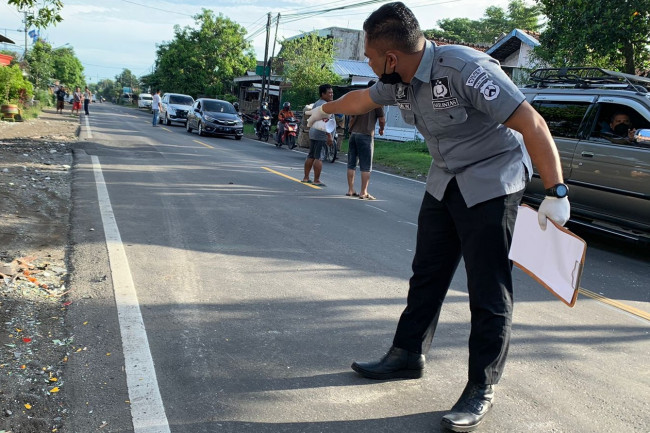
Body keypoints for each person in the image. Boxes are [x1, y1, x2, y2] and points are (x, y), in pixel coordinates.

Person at [306, 3, 570, 432]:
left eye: (372, 57)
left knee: (488, 289)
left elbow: (532, 123)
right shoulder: (400, 80)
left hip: (492, 180)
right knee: (427, 272)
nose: (371, 65)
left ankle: (480, 387)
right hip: (445, 178)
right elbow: (363, 98)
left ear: (391, 58)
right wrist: (327, 110)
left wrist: (556, 191)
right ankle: (407, 354)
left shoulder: (465, 69)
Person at [346, 80, 385, 199]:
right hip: (366, 134)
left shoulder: (359, 99)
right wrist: (381, 129)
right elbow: (382, 119)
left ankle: (351, 190)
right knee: (366, 165)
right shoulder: (376, 101)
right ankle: (363, 192)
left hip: (354, 134)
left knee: (351, 164)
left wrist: (351, 129)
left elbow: (351, 116)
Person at [302, 84, 334, 187]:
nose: (331, 94)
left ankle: (306, 177)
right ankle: (316, 180)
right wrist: (329, 136)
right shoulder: (325, 106)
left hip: (313, 132)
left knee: (311, 155)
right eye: (329, 93)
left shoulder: (316, 103)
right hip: (321, 134)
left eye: (332, 92)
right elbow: (325, 122)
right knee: (318, 157)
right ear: (322, 94)